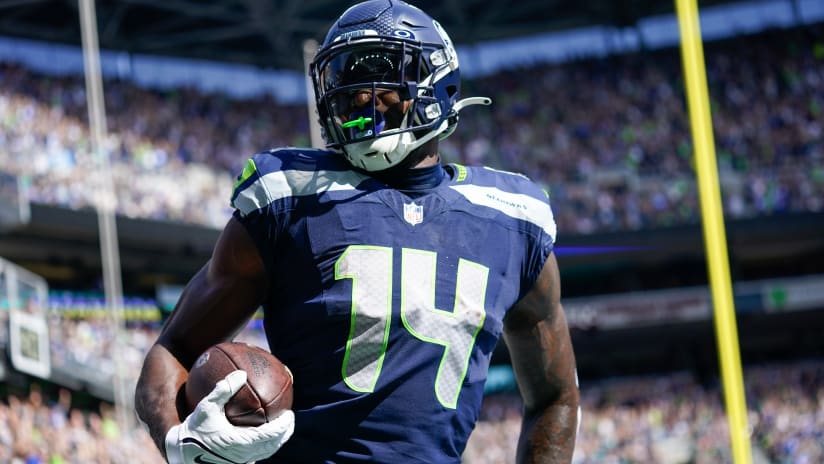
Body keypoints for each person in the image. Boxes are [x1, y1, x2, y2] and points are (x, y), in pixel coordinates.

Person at [134, 1, 580, 462]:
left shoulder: (511, 219)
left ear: (435, 84)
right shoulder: (290, 199)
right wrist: (176, 441)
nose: (359, 96)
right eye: (346, 83)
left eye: (380, 78)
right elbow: (174, 349)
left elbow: (555, 396)